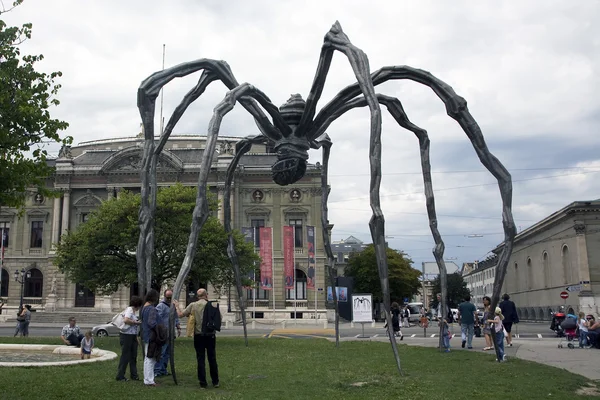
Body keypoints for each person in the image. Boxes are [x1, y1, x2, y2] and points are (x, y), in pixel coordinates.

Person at [175, 288, 221, 389]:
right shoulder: (213, 305)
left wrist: (177, 306)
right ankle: (215, 381)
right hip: (210, 335)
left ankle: (203, 383)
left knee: (200, 359)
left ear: (197, 296)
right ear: (206, 295)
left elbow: (180, 315)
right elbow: (219, 318)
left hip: (199, 335)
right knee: (212, 358)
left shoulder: (193, 305)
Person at [154, 289, 181, 377]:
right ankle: (157, 370)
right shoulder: (160, 306)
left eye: (170, 297)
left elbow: (176, 317)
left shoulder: (173, 305)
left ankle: (163, 369)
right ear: (165, 296)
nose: (169, 299)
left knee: (167, 353)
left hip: (171, 333)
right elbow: (158, 318)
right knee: (161, 352)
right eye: (168, 297)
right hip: (163, 333)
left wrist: (178, 326)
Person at [116, 295, 143, 382]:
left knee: (133, 356)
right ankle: (120, 375)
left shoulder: (134, 312)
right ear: (137, 304)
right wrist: (135, 322)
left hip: (132, 335)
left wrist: (136, 337)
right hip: (126, 335)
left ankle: (134, 375)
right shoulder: (130, 310)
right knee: (125, 356)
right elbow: (126, 320)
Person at [141, 289, 160, 387]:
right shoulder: (152, 308)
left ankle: (147, 379)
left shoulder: (144, 307)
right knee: (150, 358)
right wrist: (159, 328)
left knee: (147, 358)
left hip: (146, 335)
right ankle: (149, 380)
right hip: (151, 336)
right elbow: (151, 322)